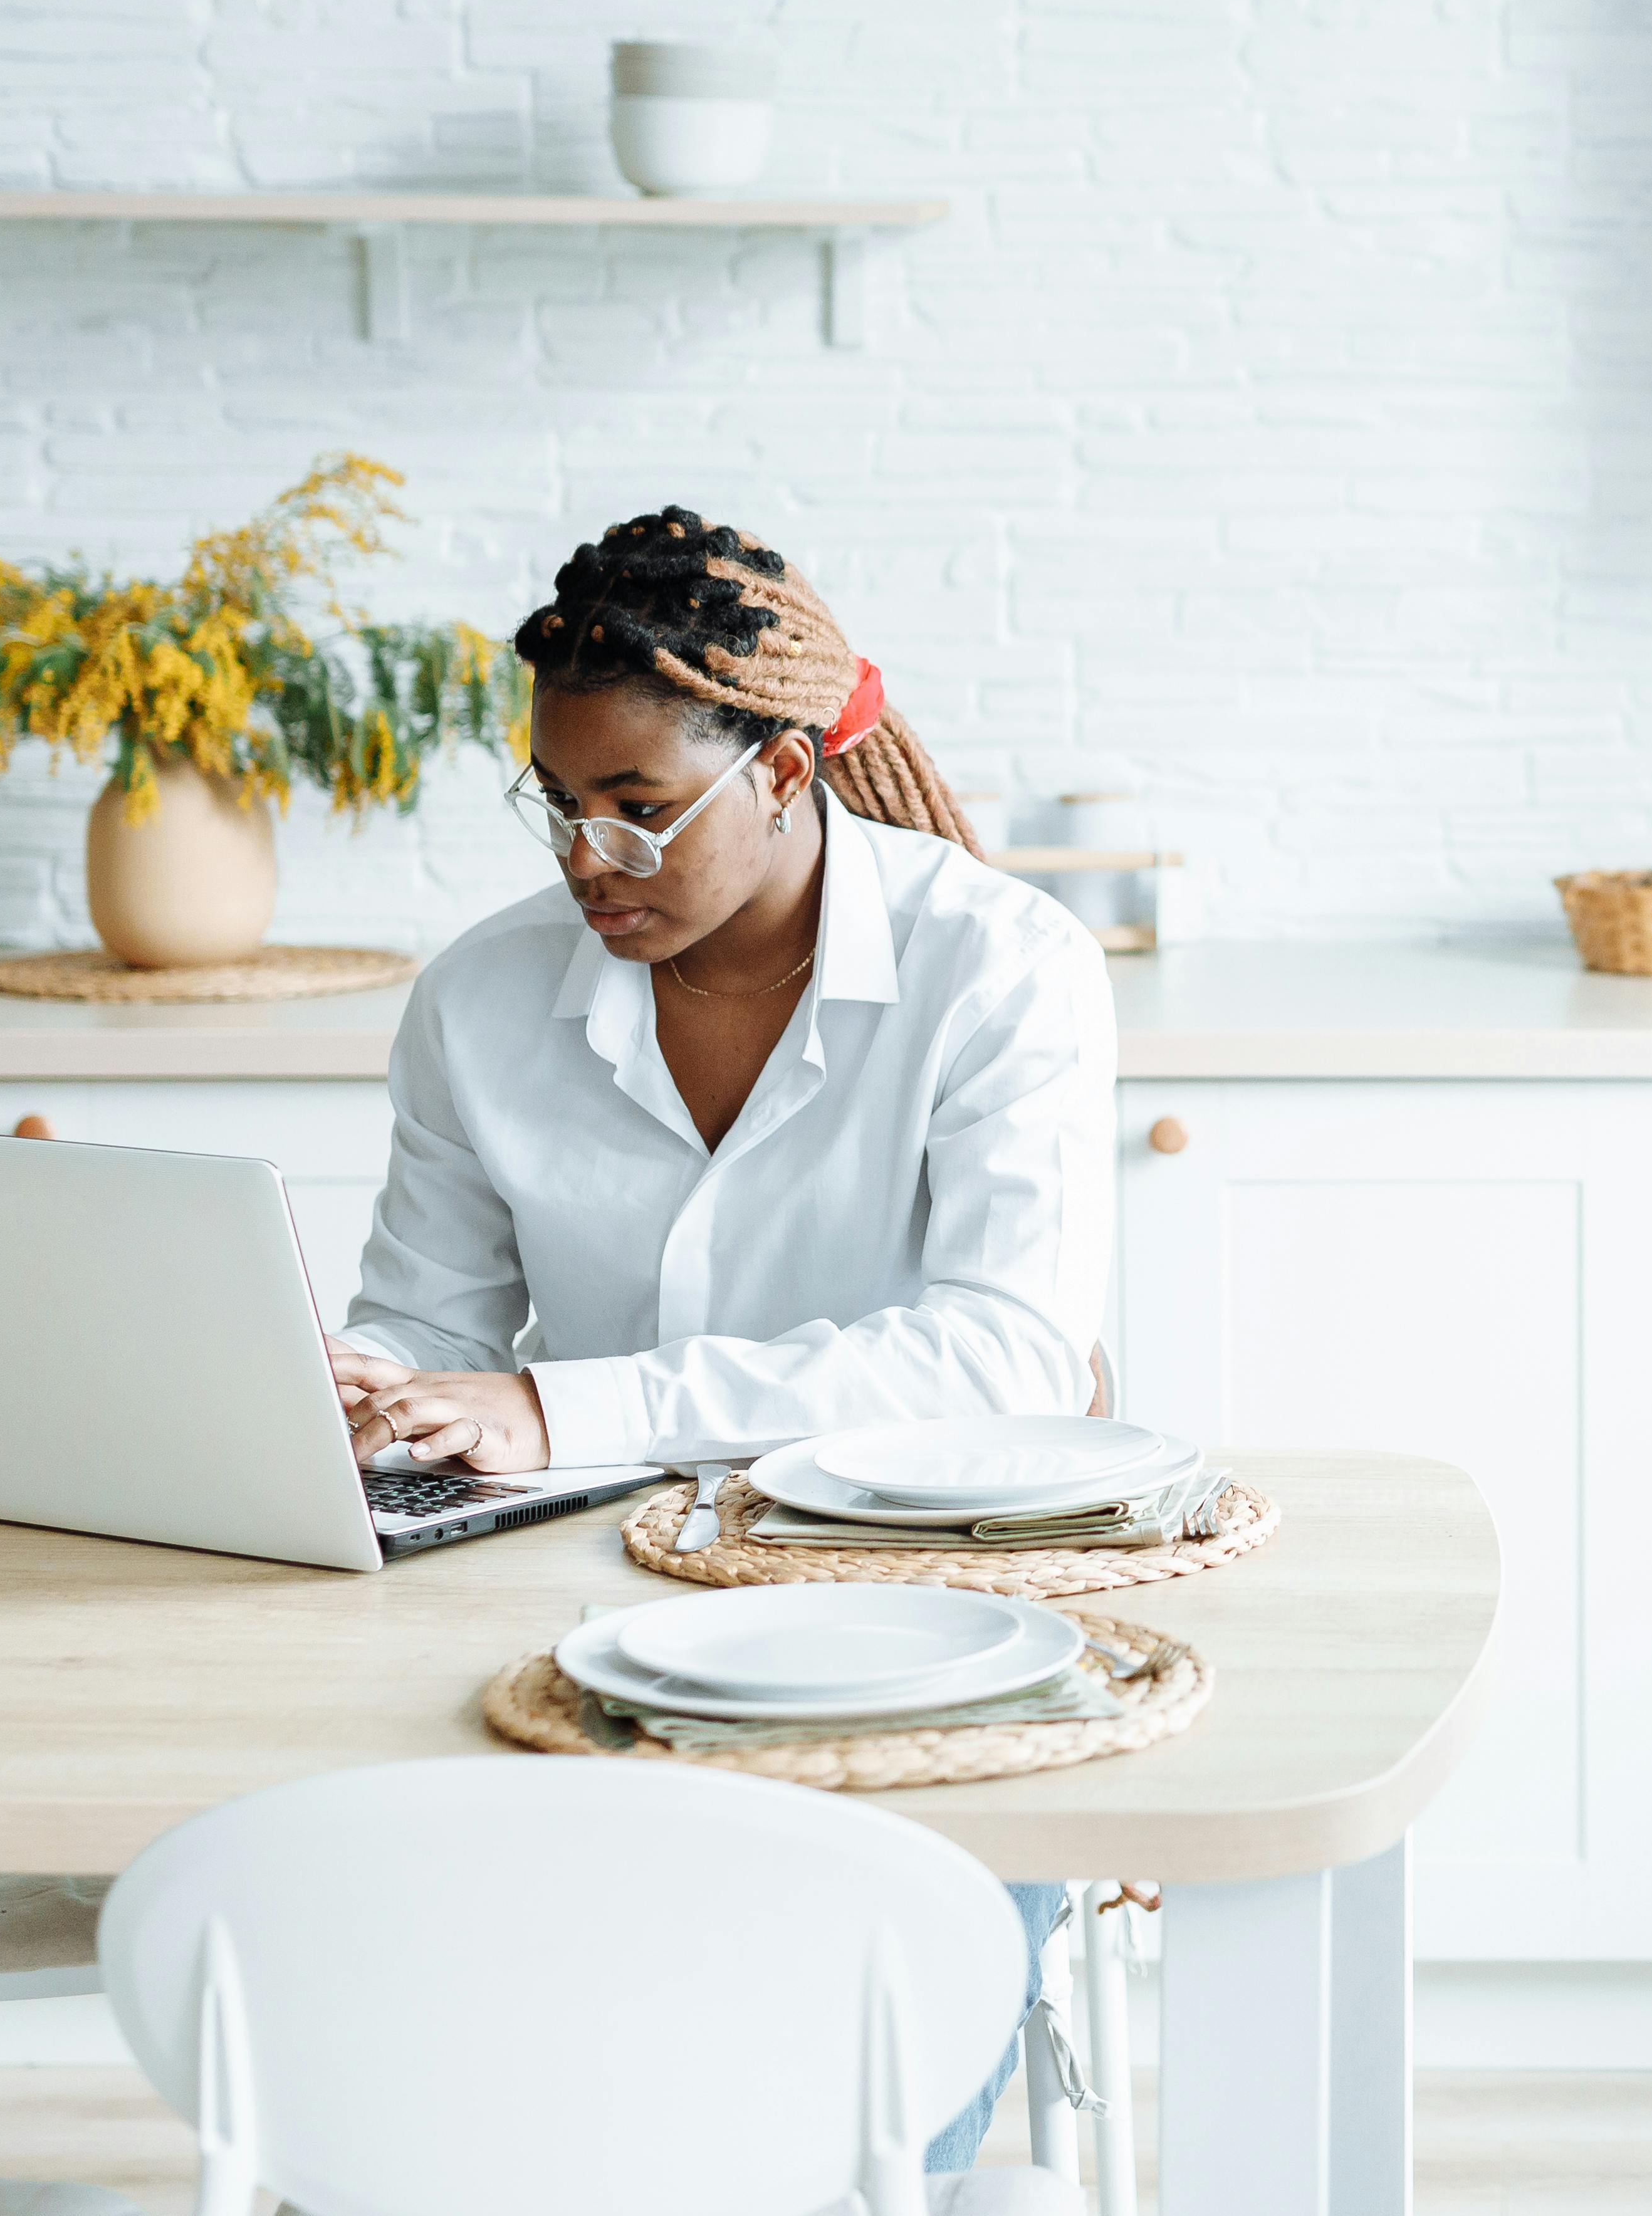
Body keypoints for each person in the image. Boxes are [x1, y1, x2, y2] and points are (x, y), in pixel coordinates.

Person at [324, 503, 1097, 2171]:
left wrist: (560, 1403)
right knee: (463, 2067)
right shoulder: (479, 998)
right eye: (559, 806)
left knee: (838, 2109)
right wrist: (370, 1388)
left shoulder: (1000, 967)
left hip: (916, 1626)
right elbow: (425, 1320)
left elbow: (1006, 1359)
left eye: (638, 812)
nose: (584, 862)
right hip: (571, 1618)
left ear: (782, 775)